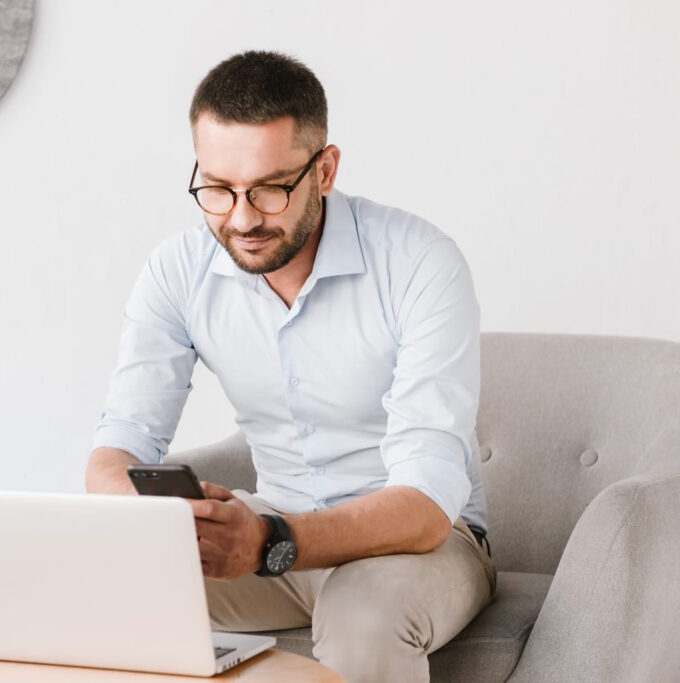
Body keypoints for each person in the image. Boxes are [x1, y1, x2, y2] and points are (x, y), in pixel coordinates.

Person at [85, 50, 496, 682]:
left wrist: (270, 538)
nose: (242, 218)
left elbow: (426, 506)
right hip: (270, 527)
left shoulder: (420, 263)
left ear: (325, 170)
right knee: (88, 578)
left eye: (271, 189)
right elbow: (119, 447)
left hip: (421, 547)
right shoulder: (178, 269)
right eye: (218, 190)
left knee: (365, 617)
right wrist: (155, 519)